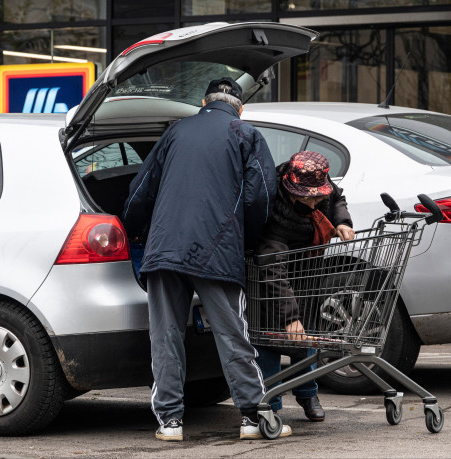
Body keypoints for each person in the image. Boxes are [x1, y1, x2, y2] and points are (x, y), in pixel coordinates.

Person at [122, 77, 285, 441]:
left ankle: (170, 422)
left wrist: (133, 229)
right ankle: (251, 417)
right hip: (217, 249)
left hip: (164, 249)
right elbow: (261, 195)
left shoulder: (176, 131)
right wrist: (248, 239)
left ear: (202, 101)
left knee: (166, 336)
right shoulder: (245, 134)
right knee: (232, 334)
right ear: (239, 107)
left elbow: (140, 189)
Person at [253, 150, 355, 422]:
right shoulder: (272, 207)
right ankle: (270, 406)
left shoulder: (319, 184)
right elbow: (273, 271)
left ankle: (308, 393)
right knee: (270, 340)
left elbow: (336, 196)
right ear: (291, 190)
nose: (315, 203)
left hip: (307, 272)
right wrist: (289, 317)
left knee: (306, 335)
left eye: (318, 196)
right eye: (309, 197)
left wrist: (342, 220)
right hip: (272, 280)